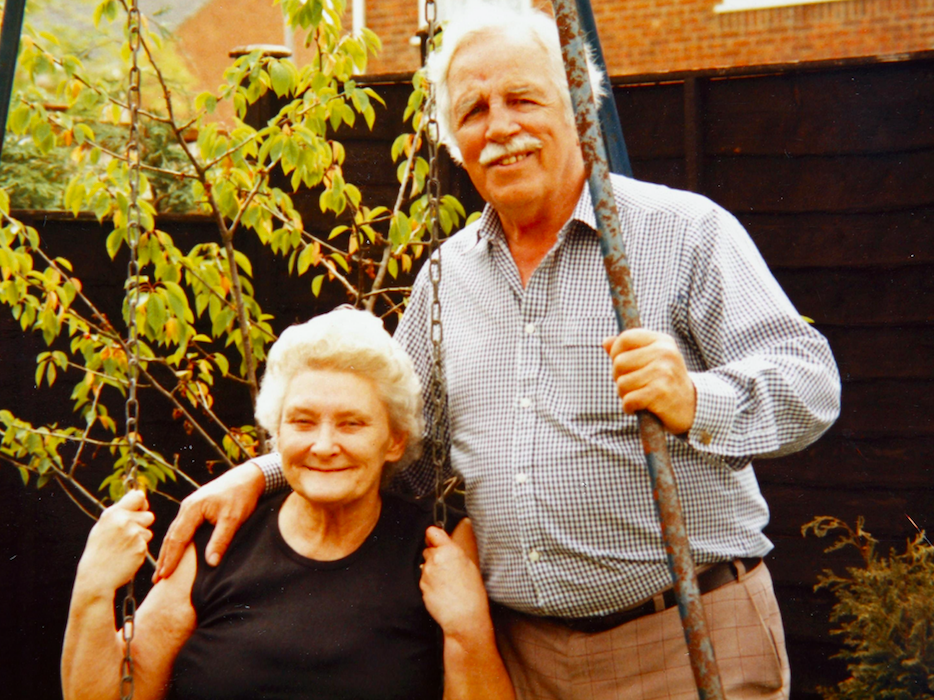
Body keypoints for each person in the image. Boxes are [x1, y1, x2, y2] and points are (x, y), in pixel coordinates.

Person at [153, 5, 841, 699]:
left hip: (683, 635)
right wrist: (266, 473)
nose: (500, 127)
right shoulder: (447, 278)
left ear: (578, 105)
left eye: (522, 98)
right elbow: (396, 438)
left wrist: (694, 400)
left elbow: (808, 383)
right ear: (454, 140)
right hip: (522, 658)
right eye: (474, 110)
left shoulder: (680, 234)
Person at [62, 308, 515, 700]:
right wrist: (93, 589)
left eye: (351, 424)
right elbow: (115, 692)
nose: (323, 445)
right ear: (277, 434)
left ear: (394, 440)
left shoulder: (437, 546)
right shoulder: (221, 540)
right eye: (302, 422)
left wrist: (468, 629)